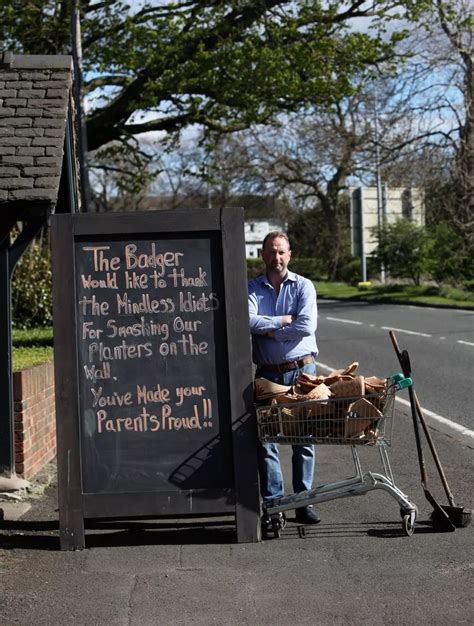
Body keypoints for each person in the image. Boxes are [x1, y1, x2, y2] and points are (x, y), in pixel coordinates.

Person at [248, 231, 320, 535]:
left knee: (305, 438)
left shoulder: (304, 286)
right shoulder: (251, 288)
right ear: (262, 255)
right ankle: (275, 505)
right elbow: (246, 320)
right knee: (268, 441)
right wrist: (281, 321)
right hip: (268, 374)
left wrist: (269, 331)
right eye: (271, 252)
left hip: (302, 372)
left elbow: (306, 325)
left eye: (281, 252)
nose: (276, 257)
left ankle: (303, 501)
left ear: (289, 254)